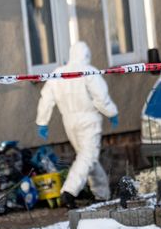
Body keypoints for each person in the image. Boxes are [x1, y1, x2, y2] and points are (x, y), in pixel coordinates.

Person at [35, 41, 119, 209]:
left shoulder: (58, 74)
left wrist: (42, 121)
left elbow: (46, 99)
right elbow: (101, 98)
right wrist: (111, 112)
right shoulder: (89, 72)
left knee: (88, 157)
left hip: (69, 121)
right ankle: (69, 191)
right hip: (89, 119)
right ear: (87, 55)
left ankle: (102, 194)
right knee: (88, 156)